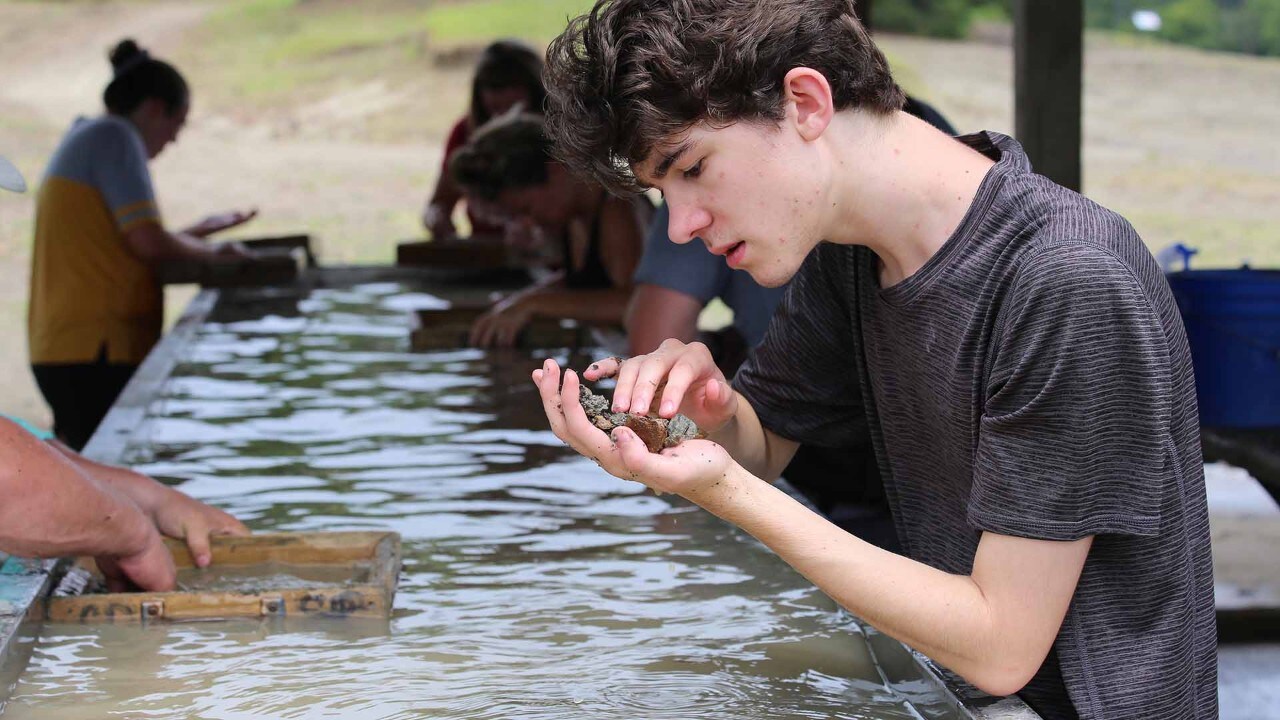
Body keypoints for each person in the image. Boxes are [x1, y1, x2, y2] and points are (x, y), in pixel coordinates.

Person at [531, 2, 1217, 718]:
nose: (680, 223)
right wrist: (702, 416)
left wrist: (723, 491)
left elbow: (1001, 645)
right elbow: (759, 445)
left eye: (693, 168)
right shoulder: (851, 257)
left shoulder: (1066, 278)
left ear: (804, 102)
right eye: (661, 192)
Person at [28, 39, 258, 451]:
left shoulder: (91, 136)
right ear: (154, 108)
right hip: (95, 348)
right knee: (106, 481)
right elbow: (147, 243)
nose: (173, 140)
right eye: (177, 124)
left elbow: (119, 244)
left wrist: (198, 233)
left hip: (70, 344)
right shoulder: (114, 136)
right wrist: (213, 252)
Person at [450, 112, 648, 348]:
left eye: (527, 209)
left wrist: (534, 304)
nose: (528, 223)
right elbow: (586, 285)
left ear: (555, 170)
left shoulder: (616, 209)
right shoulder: (576, 218)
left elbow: (634, 303)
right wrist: (519, 302)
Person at [421, 39, 548, 242]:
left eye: (514, 109)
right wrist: (436, 218)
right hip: (487, 256)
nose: (504, 119)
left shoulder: (559, 136)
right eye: (497, 111)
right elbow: (439, 204)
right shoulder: (465, 133)